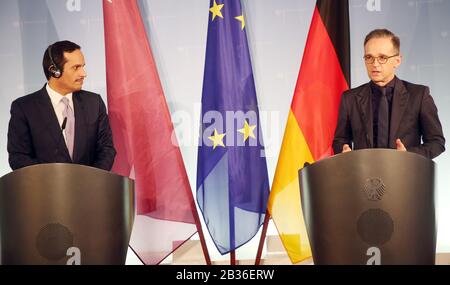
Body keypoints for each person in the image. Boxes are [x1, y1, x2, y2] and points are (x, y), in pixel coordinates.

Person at [332, 29, 445, 159]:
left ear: (397, 61)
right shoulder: (349, 98)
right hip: (363, 176)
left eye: (382, 58)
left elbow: (437, 143)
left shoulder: (419, 95)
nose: (374, 64)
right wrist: (344, 152)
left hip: (404, 175)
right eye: (369, 57)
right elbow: (340, 140)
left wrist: (408, 156)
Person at [7, 40, 116, 171]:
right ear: (54, 71)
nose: (83, 74)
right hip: (45, 189)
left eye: (83, 66)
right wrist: (53, 181)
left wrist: (92, 180)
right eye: (76, 68)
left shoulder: (94, 102)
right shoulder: (24, 108)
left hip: (89, 188)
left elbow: (106, 149)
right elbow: (18, 157)